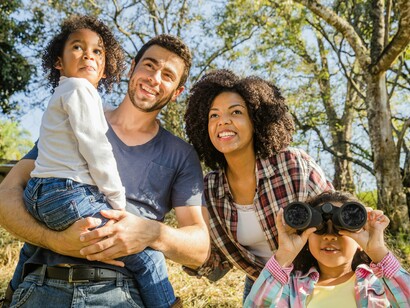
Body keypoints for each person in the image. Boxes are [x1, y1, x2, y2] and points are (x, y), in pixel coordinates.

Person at [0, 32, 209, 307]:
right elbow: (6, 196)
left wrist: (153, 233)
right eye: (149, 65)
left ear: (176, 93)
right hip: (42, 286)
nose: (155, 78)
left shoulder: (181, 155)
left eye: (168, 75)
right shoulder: (74, 117)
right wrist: (55, 241)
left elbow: (200, 249)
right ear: (132, 67)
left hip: (121, 293)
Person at [184, 69, 334, 302]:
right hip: (262, 286)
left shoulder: (293, 164)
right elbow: (215, 265)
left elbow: (337, 224)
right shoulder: (209, 190)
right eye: (213, 115)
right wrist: (163, 239)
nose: (223, 120)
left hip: (316, 282)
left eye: (236, 112)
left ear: (256, 121)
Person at [244, 191, 410, 307]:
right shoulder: (289, 288)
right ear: (307, 236)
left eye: (340, 229)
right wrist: (284, 256)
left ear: (359, 241)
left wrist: (378, 252)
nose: (329, 236)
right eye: (319, 229)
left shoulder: (378, 285)